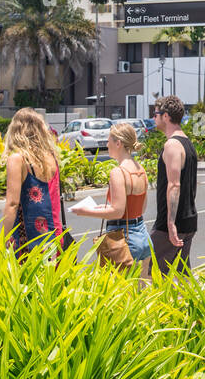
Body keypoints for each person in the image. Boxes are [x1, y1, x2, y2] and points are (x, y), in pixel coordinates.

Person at [71, 122, 151, 277]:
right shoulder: (140, 169)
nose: (107, 144)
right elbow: (140, 209)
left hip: (123, 240)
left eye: (109, 140)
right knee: (142, 291)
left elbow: (117, 211)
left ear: (118, 143)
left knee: (120, 295)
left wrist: (84, 211)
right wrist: (103, 208)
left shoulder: (118, 172)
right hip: (143, 236)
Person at [0, 108, 64, 255]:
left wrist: (3, 239)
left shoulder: (18, 159)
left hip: (28, 241)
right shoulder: (51, 158)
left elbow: (12, 204)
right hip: (54, 237)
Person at [150, 95, 198, 274]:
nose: (153, 118)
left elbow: (175, 185)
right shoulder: (187, 144)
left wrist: (170, 224)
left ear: (166, 116)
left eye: (155, 114)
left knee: (149, 274)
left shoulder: (172, 145)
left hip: (171, 224)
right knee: (179, 277)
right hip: (188, 220)